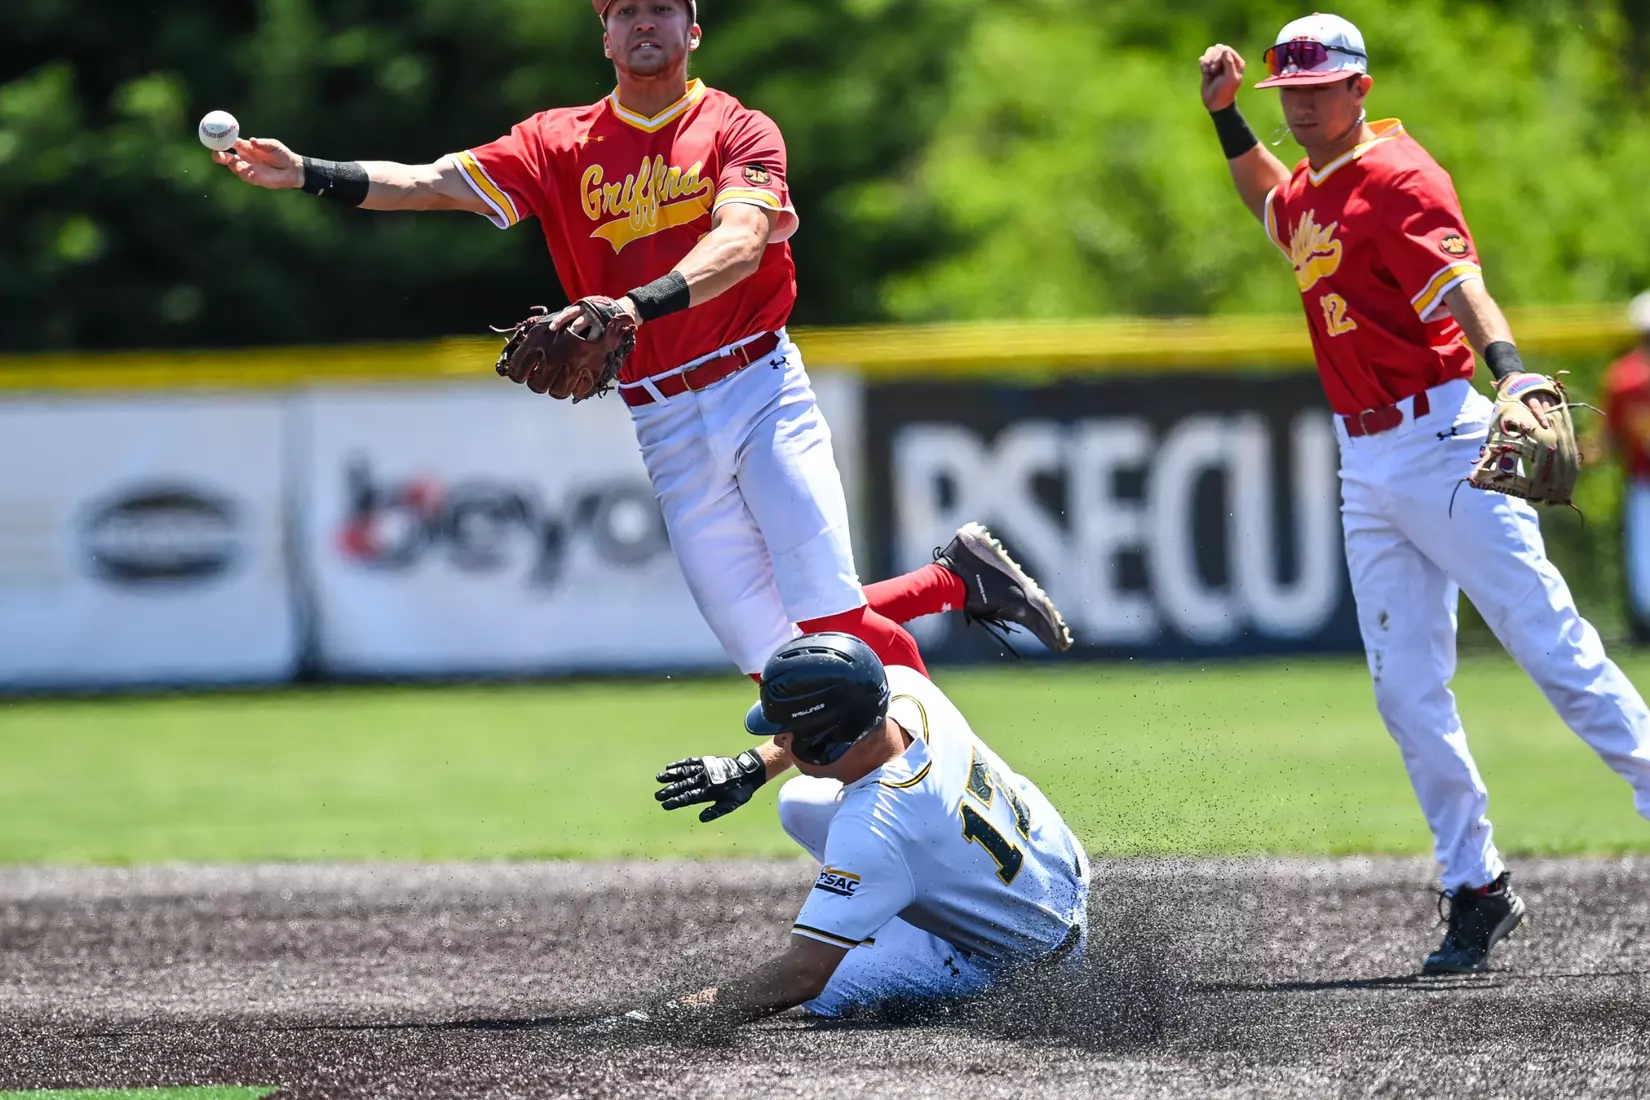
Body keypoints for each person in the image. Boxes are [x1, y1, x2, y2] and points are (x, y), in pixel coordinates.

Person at [211, 0, 1072, 678]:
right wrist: (309, 174)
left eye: (661, 8)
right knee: (779, 668)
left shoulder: (738, 127)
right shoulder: (557, 142)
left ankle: (936, 782)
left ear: (692, 31)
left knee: (829, 619)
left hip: (759, 389)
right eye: (625, 10)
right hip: (661, 419)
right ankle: (957, 581)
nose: (644, 22)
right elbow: (435, 182)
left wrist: (632, 306)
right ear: (606, 36)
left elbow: (740, 243)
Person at [1198, 13, 1650, 974]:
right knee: (1406, 689)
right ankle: (1477, 886)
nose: (1305, 105)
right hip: (1365, 464)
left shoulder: (1403, 176)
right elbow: (1268, 206)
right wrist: (1230, 121)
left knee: (1554, 651)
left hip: (1444, 440)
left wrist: (1513, 371)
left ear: (1361, 87)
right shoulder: (1315, 187)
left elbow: (1463, 287)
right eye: (1292, 94)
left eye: (1319, 89)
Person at [600, 632, 1087, 1029]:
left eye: (787, 733)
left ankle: (954, 991)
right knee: (798, 801)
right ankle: (890, 901)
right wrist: (752, 767)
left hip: (1031, 965)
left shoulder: (874, 827)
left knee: (830, 990)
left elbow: (802, 974)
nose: (778, 741)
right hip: (1055, 863)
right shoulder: (907, 691)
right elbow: (840, 731)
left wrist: (666, 1017)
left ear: (830, 740)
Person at [1600, 292, 1650, 643]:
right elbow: (1609, 440)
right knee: (1645, 583)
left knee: (1646, 580)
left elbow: (1607, 441)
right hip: (1642, 484)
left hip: (1642, 485)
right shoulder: (1624, 377)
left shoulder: (1624, 376)